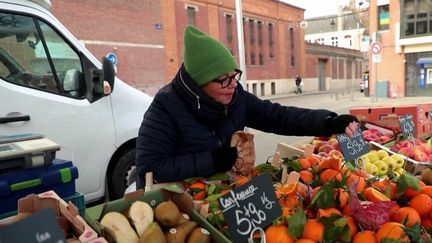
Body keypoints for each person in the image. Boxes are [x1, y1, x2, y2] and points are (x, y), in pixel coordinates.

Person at [135, 25, 358, 189]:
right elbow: (149, 170)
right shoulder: (165, 107)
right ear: (199, 83)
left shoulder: (235, 96)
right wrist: (211, 160)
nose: (232, 84)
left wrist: (328, 122)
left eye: (234, 76)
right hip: (183, 200)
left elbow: (279, 117)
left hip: (228, 190)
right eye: (223, 79)